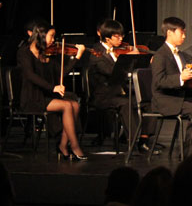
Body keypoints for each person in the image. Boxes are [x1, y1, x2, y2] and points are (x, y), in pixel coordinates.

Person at [18, 22, 87, 160]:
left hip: (46, 95)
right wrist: (53, 87)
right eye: (51, 36)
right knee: (67, 105)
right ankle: (74, 145)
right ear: (42, 36)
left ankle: (62, 145)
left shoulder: (47, 54)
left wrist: (77, 56)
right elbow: (30, 75)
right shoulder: (24, 52)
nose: (53, 40)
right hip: (32, 97)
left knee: (74, 104)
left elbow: (62, 73)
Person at [150, 17, 192, 156]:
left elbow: (189, 78)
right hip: (166, 99)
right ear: (169, 33)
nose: (184, 36)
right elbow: (159, 81)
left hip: (181, 96)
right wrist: (180, 77)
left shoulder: (180, 54)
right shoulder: (160, 55)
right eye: (182, 33)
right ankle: (190, 154)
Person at [89, 19, 142, 149]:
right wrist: (127, 59)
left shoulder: (116, 50)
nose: (120, 39)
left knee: (146, 100)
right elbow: (111, 72)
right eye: (117, 36)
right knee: (126, 103)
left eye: (121, 36)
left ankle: (144, 138)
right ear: (107, 38)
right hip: (103, 95)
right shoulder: (96, 52)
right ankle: (134, 140)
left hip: (119, 92)